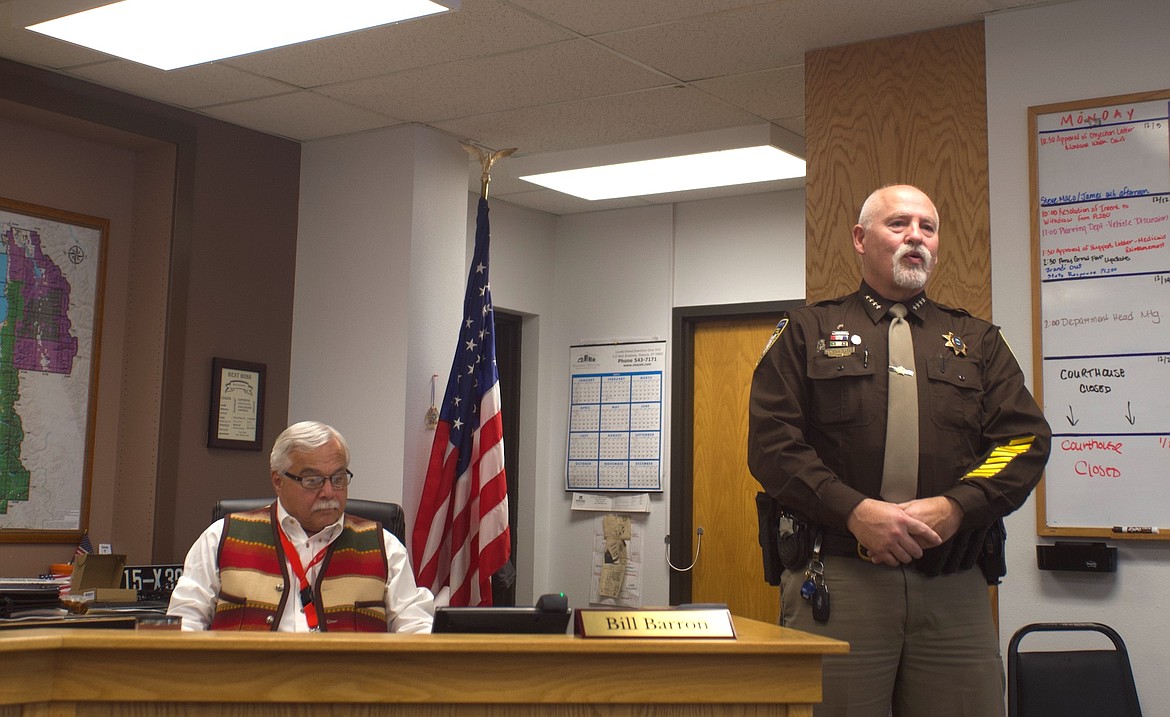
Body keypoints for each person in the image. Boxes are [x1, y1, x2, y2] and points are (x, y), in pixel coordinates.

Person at [748, 185, 1051, 717]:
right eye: (899, 224)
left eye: (927, 227)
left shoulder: (977, 341)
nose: (916, 236)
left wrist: (960, 504)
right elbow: (774, 446)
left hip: (952, 581)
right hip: (841, 576)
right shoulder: (806, 332)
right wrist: (855, 511)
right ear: (861, 239)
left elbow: (1024, 440)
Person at [168, 420, 434, 633]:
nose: (329, 492)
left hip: (348, 694)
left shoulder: (384, 547)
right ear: (278, 481)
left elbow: (417, 629)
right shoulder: (220, 539)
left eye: (338, 478)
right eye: (312, 480)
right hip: (246, 693)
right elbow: (184, 624)